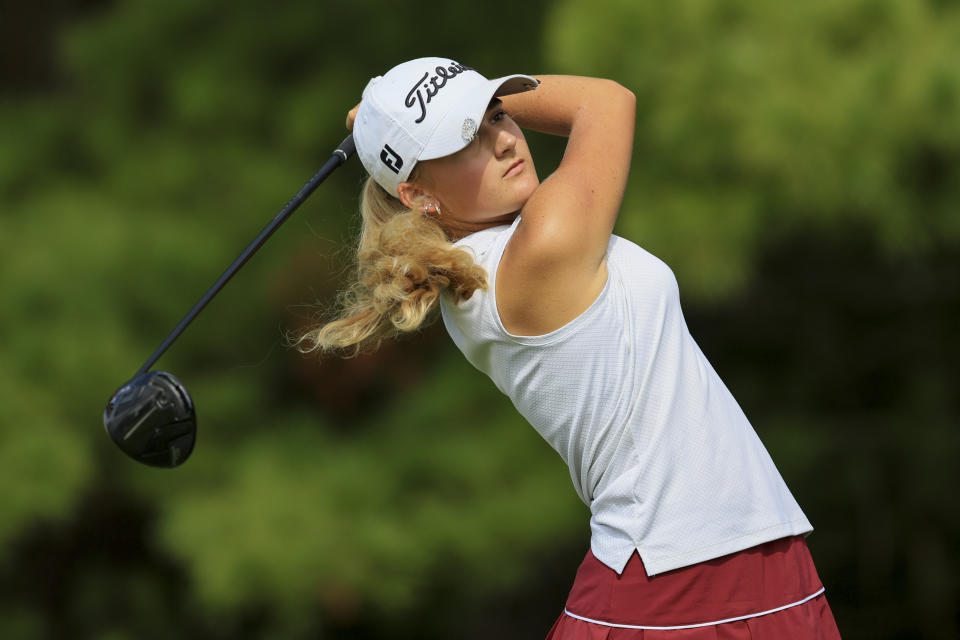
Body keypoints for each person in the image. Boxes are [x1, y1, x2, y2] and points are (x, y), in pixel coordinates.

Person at [298, 57, 842, 639]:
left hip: (733, 560)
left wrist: (401, 117)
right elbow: (606, 101)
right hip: (677, 585)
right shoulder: (540, 246)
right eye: (466, 137)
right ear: (418, 194)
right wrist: (403, 112)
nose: (506, 141)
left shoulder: (480, 259)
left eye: (497, 115)